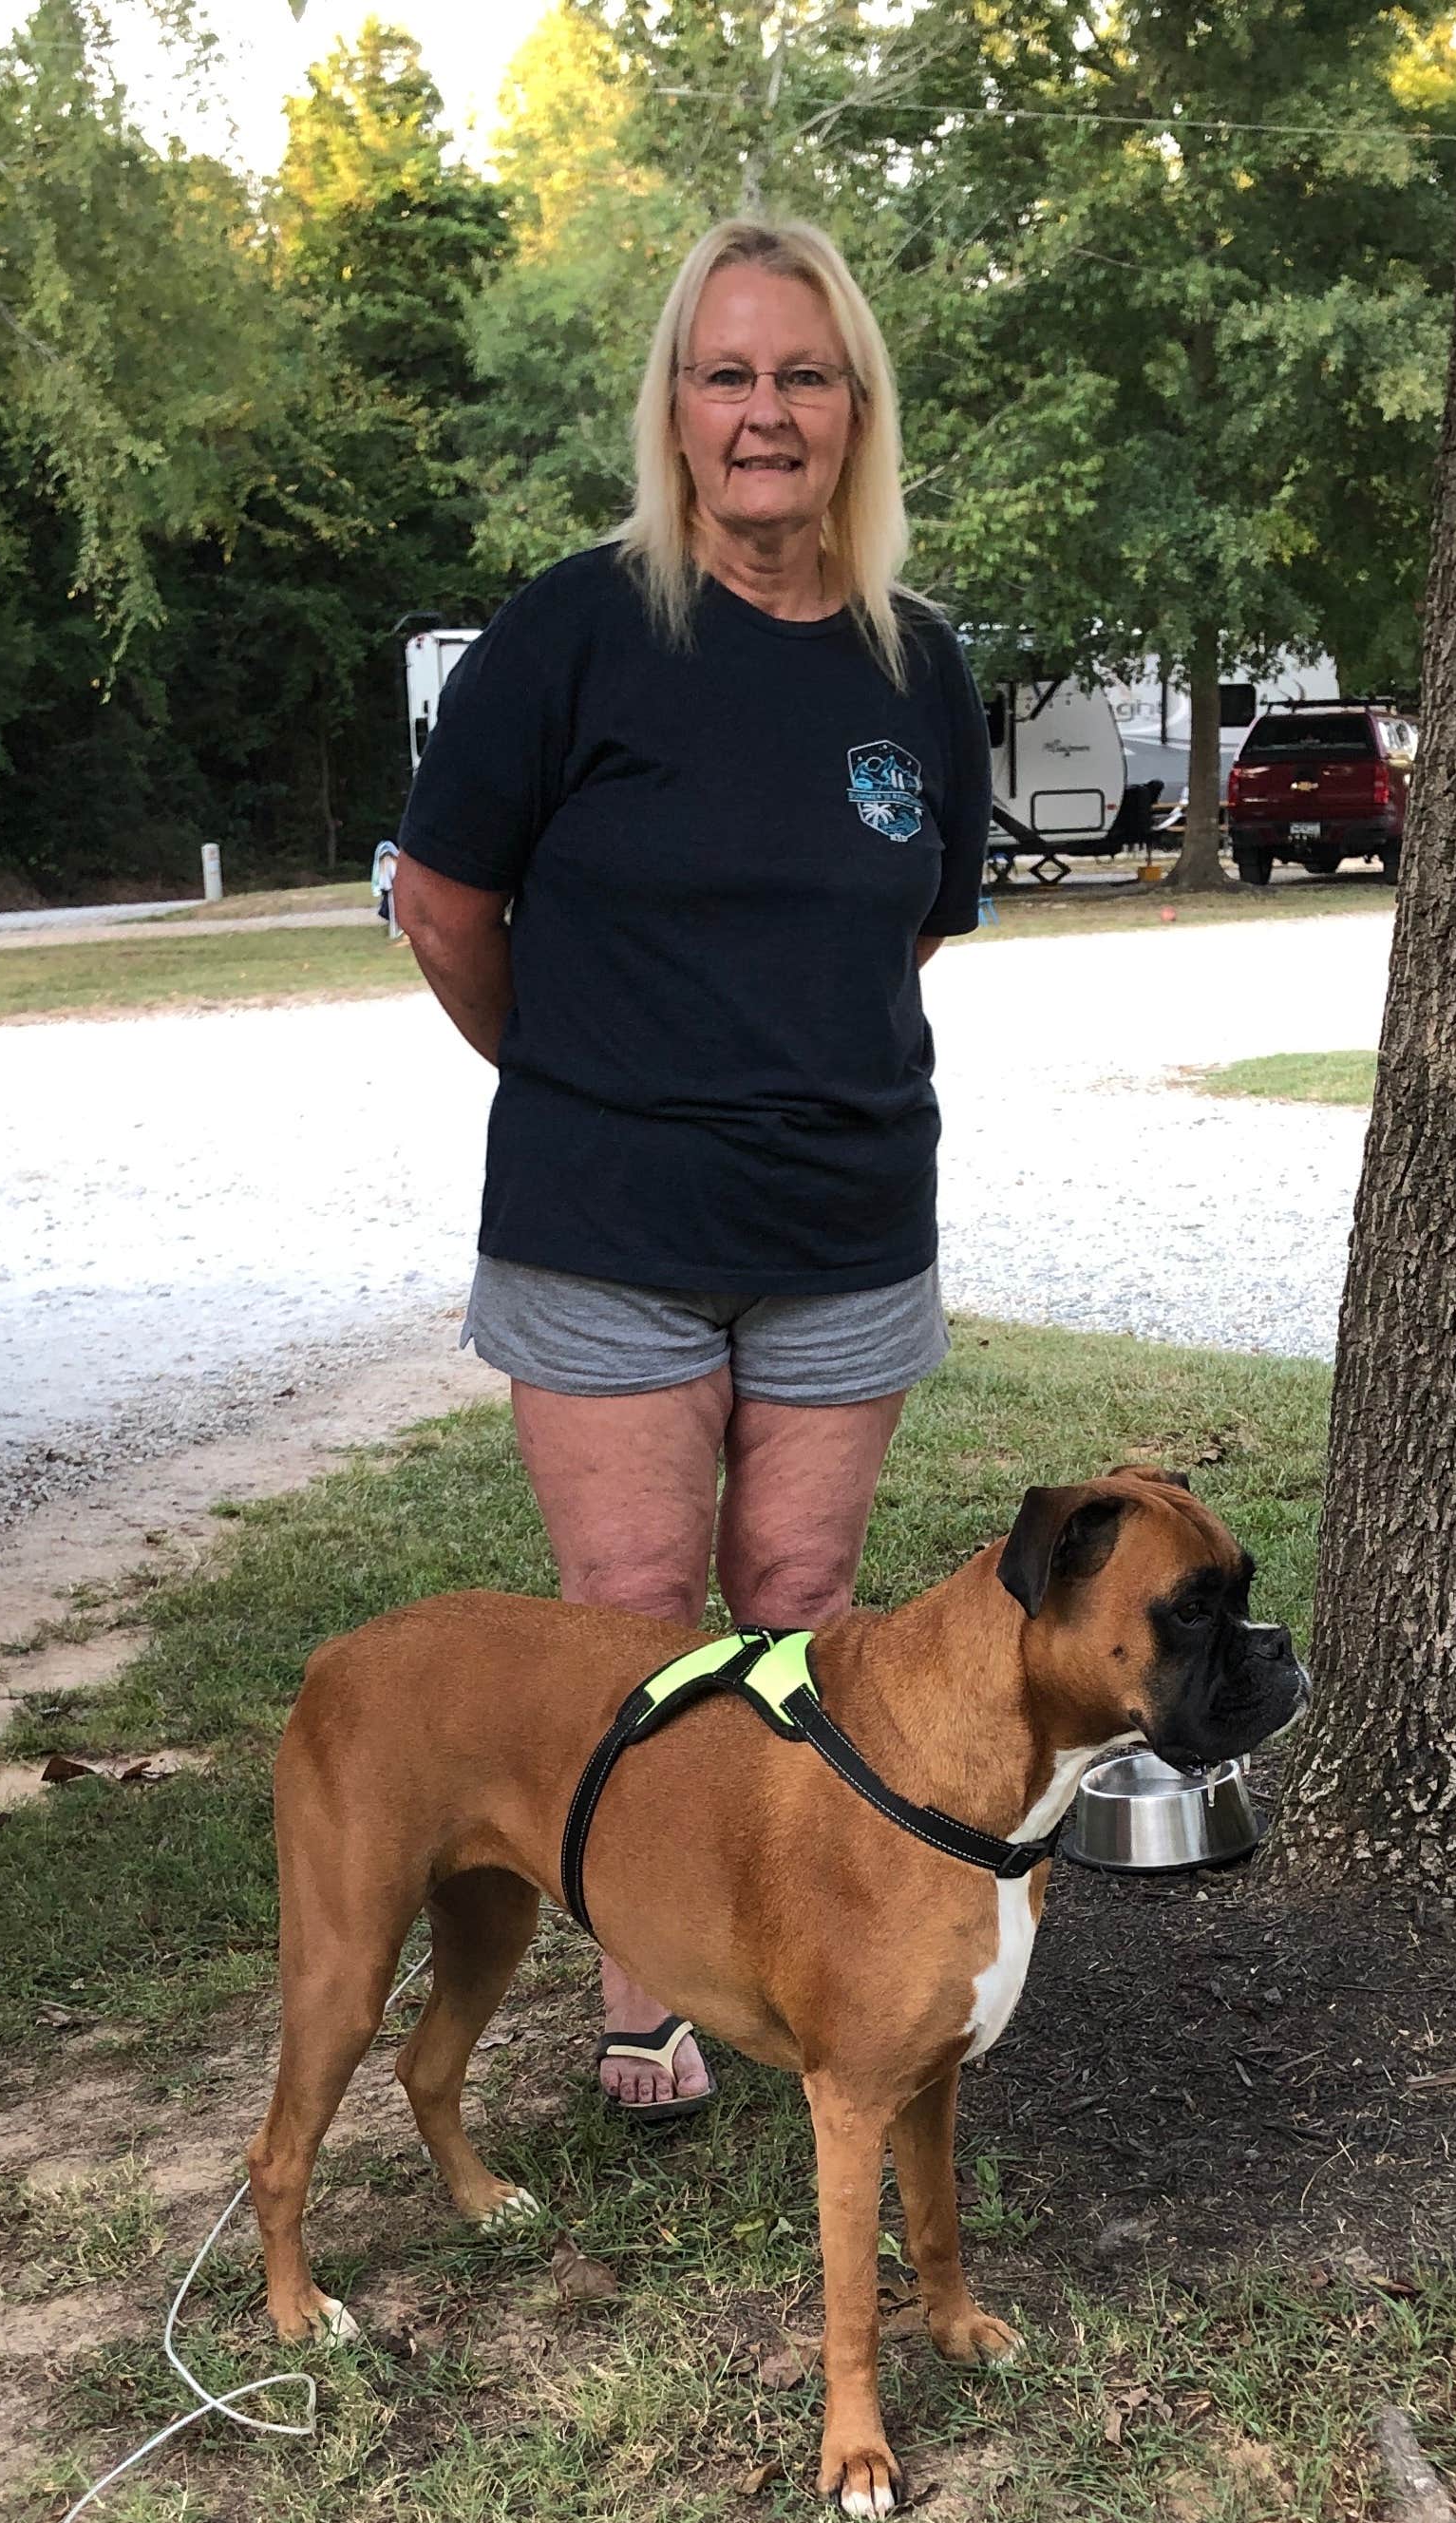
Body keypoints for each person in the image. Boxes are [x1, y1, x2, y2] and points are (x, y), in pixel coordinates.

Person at [393, 217, 993, 2122]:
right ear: (671, 407)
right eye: (724, 374)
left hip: (842, 1230)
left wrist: (770, 1072)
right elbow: (439, 903)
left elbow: (895, 932)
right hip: (604, 1224)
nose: (762, 413)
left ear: (852, 412)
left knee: (799, 1599)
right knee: (638, 1610)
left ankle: (790, 1938)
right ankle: (641, 1969)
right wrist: (580, 1076)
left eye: (800, 376)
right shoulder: (571, 631)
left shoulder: (920, 668)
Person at [369, 838, 399, 928]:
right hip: (389, 887)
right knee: (388, 905)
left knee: (390, 905)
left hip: (390, 886)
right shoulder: (387, 860)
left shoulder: (389, 860)